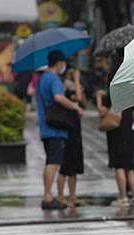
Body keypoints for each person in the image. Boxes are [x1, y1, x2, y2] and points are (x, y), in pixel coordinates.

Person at [36, 50, 83, 210]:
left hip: (45, 126)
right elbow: (58, 97)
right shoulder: (53, 78)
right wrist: (75, 107)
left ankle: (47, 194)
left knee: (50, 161)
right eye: (63, 63)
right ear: (59, 63)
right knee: (54, 162)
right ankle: (48, 197)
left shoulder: (42, 78)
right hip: (55, 128)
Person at [96, 54, 134, 207]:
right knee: (130, 167)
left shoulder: (111, 94)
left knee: (119, 166)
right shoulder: (128, 93)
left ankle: (123, 197)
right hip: (129, 133)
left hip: (116, 134)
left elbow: (102, 112)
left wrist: (98, 98)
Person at [57, 66, 86, 208]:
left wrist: (78, 84)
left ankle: (73, 196)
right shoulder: (63, 85)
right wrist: (75, 80)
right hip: (66, 127)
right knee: (65, 165)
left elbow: (82, 102)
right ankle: (61, 196)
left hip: (76, 128)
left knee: (74, 165)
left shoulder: (77, 86)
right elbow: (77, 99)